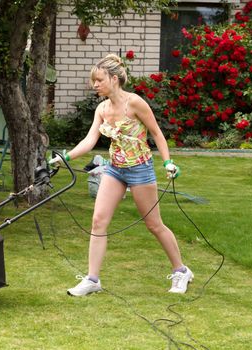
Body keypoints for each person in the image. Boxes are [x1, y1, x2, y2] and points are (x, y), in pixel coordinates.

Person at [51, 54, 193, 296]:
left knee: (154, 224)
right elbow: (90, 140)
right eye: (93, 81)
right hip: (114, 169)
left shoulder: (134, 103)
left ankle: (181, 271)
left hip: (140, 170)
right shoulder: (102, 108)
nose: (94, 84)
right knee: (98, 221)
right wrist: (65, 157)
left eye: (98, 80)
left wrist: (168, 162)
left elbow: (157, 134)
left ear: (114, 79)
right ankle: (92, 279)